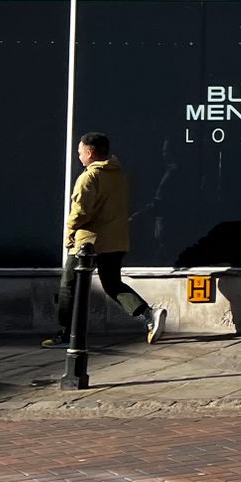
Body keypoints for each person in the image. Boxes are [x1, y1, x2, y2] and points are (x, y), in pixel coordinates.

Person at [45, 132, 167, 348]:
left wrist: (70, 231)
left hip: (88, 242)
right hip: (116, 240)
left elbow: (81, 211)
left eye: (80, 151)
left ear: (90, 153)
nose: (78, 155)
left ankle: (67, 334)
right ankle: (149, 314)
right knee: (112, 283)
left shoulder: (89, 177)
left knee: (68, 286)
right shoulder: (118, 174)